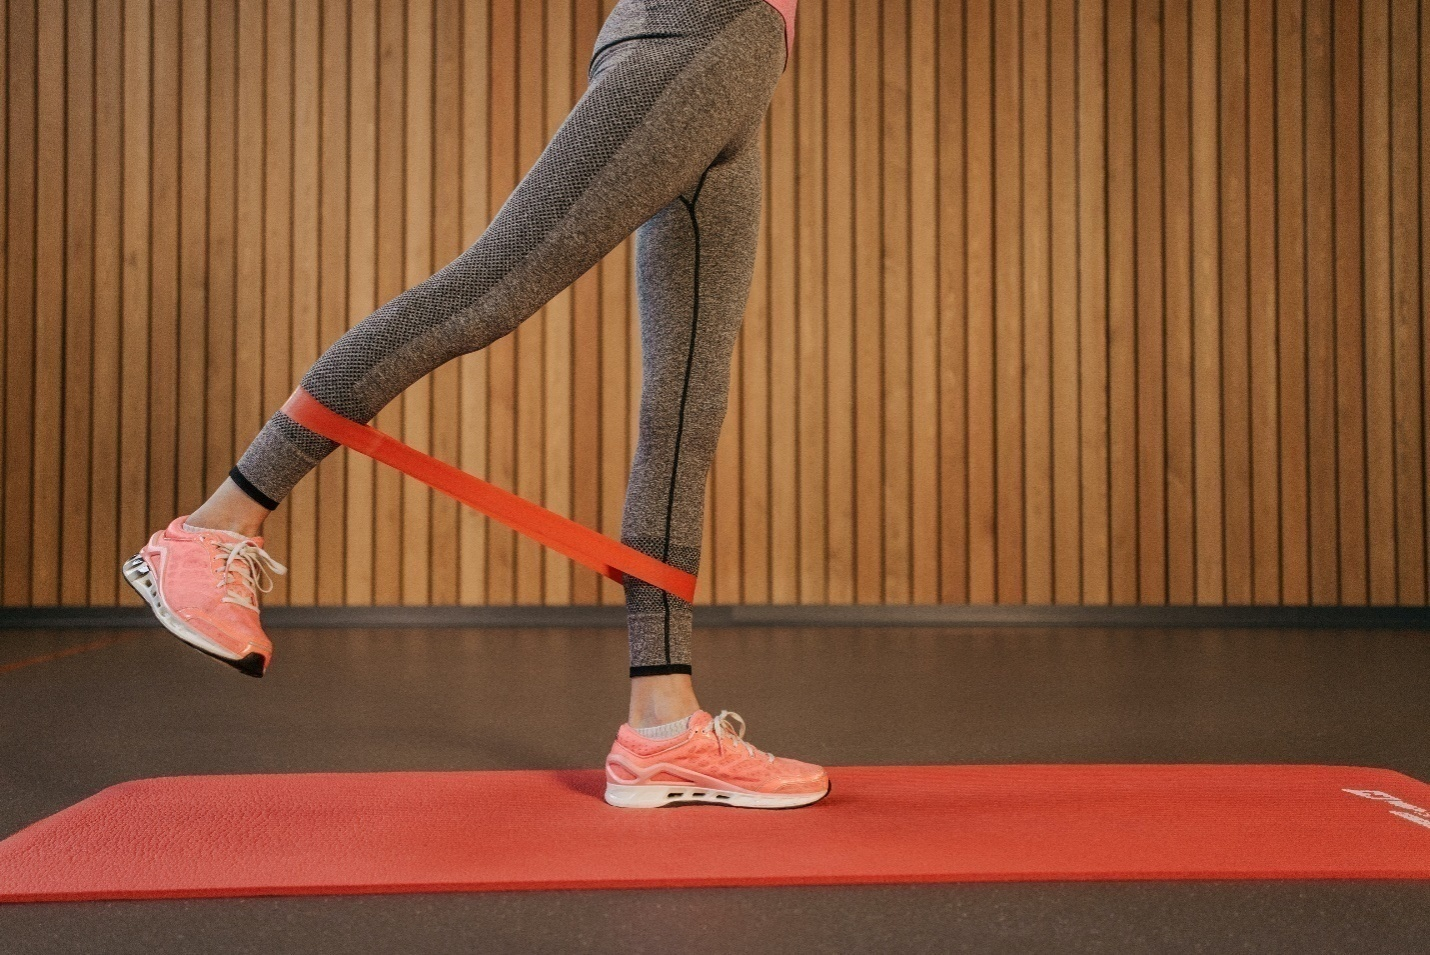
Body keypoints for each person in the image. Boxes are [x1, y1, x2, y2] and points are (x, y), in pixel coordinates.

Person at [122, 0, 827, 810]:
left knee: (688, 402)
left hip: (751, 55)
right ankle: (215, 525)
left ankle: (661, 726)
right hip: (696, 25)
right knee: (487, 289)